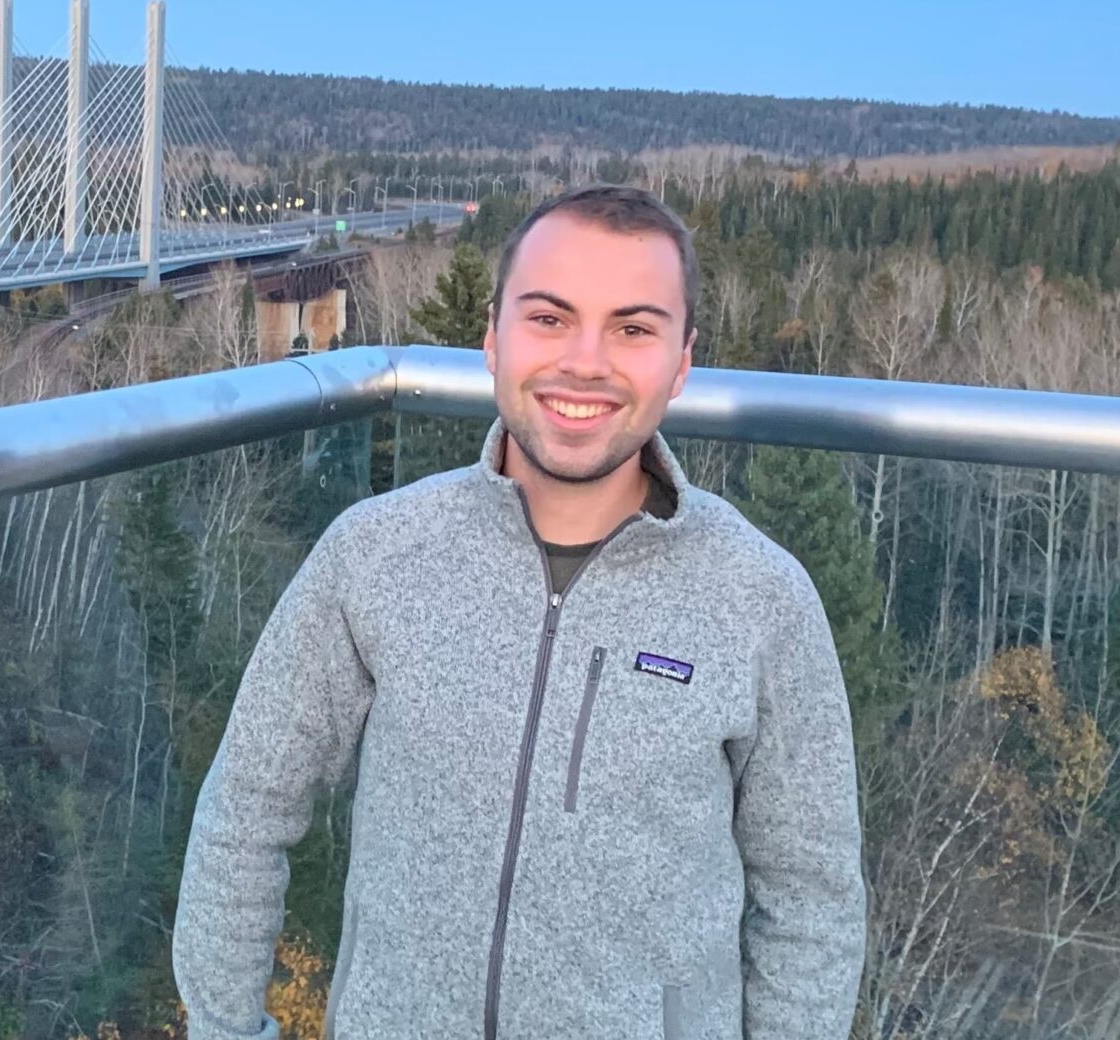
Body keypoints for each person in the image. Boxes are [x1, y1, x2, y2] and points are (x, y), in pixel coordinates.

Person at [173, 185, 867, 1039]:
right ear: (493, 338)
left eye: (633, 328)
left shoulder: (761, 600)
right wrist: (225, 1027)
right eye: (549, 318)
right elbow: (246, 810)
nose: (585, 361)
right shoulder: (375, 555)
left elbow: (811, 901)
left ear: (682, 361)